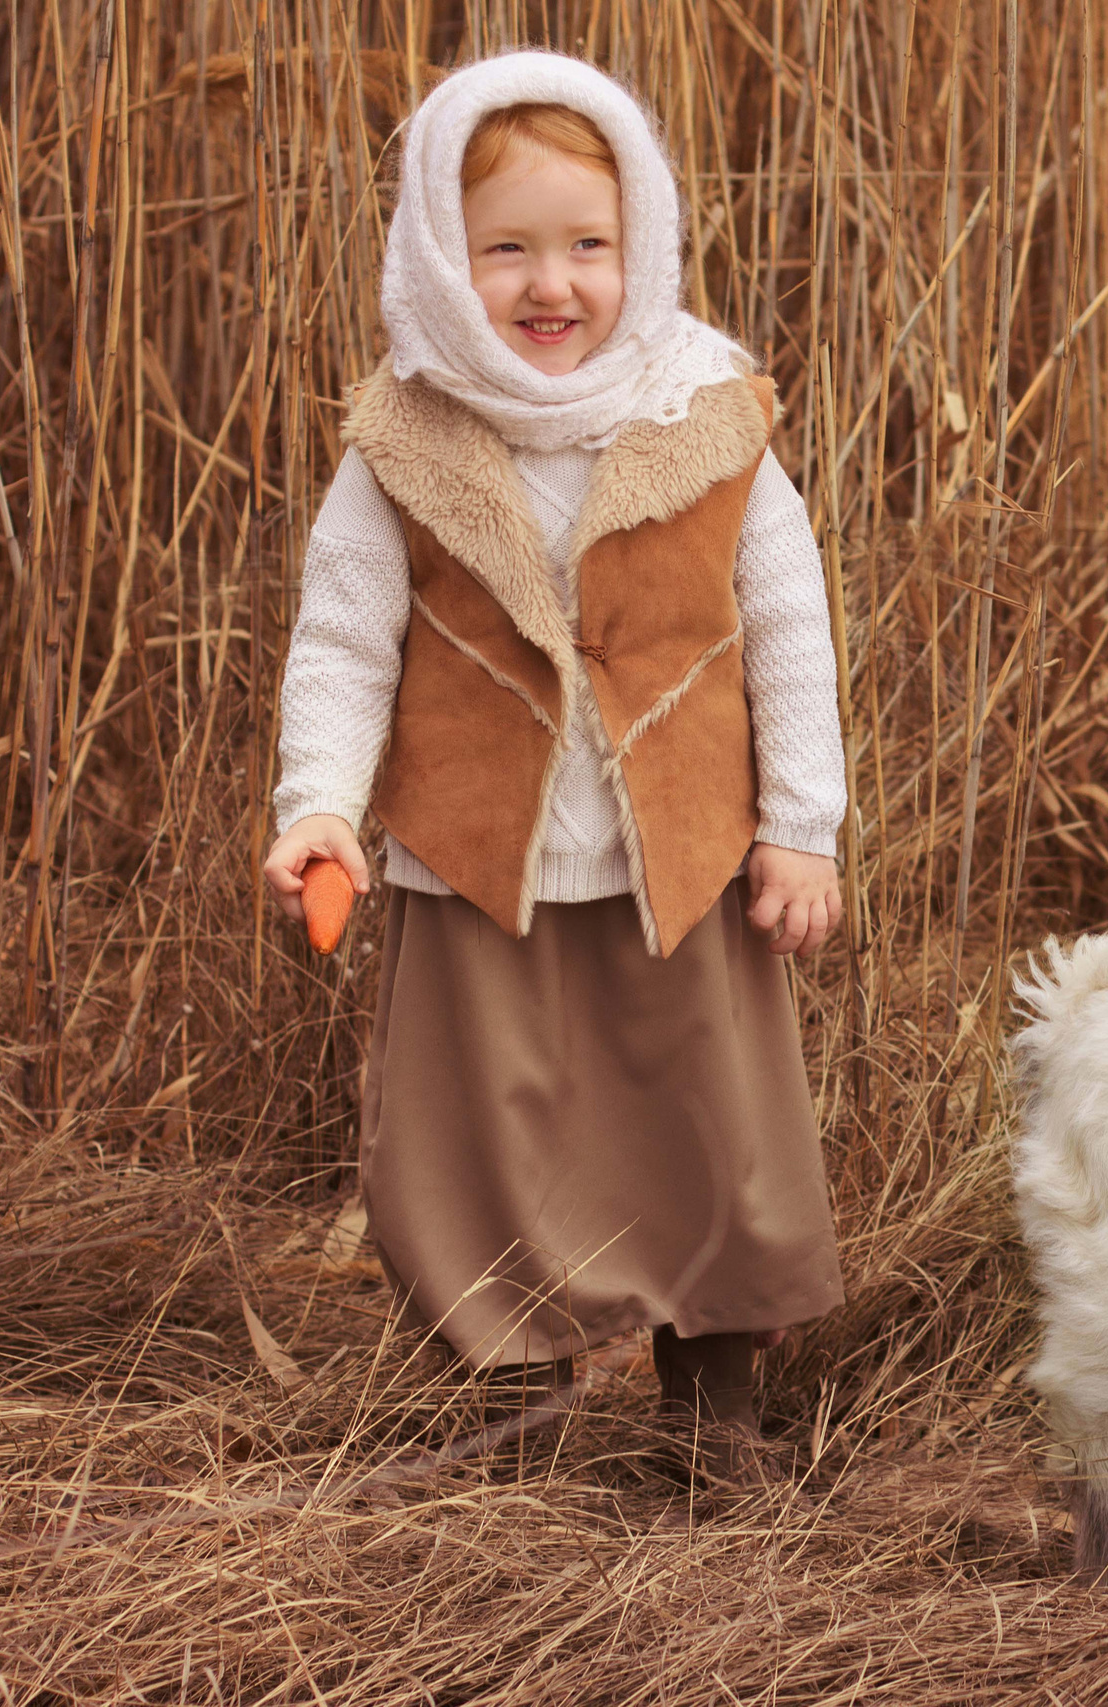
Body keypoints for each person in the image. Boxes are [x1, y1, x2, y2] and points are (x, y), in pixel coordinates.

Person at [260, 51, 846, 1483]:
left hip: (681, 856)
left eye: (589, 246)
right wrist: (321, 810)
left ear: (637, 249)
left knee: (706, 1113)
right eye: (507, 248)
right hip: (476, 861)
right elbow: (346, 640)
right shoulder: (406, 436)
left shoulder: (705, 418)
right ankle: (512, 1408)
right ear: (442, 263)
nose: (551, 284)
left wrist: (803, 827)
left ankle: (715, 1409)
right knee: (481, 1130)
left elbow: (785, 624)